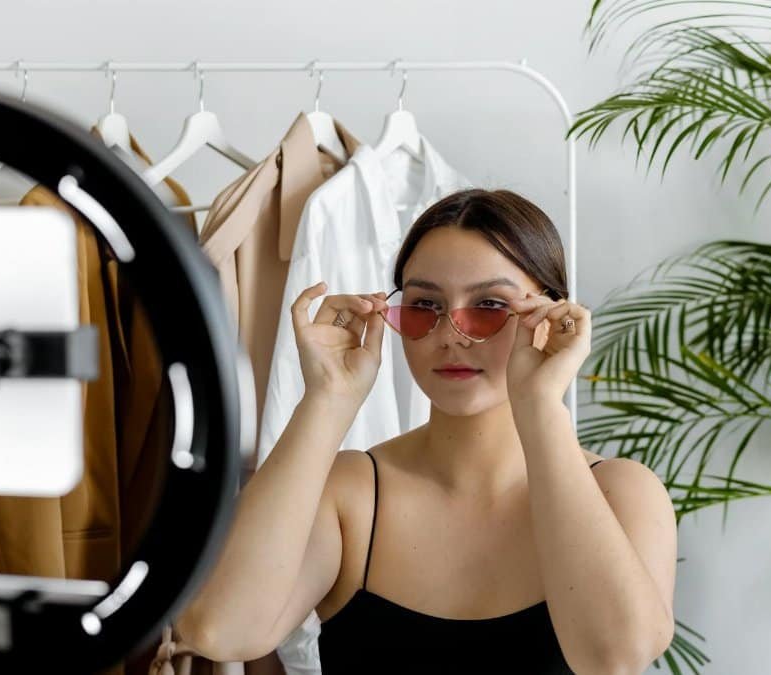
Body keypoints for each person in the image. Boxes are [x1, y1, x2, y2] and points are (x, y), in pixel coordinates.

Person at [175, 189, 678, 674]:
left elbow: (614, 658)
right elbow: (219, 630)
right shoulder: (352, 495)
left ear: (551, 317)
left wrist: (542, 404)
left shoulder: (622, 492)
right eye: (424, 307)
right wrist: (326, 399)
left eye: (489, 307)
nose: (450, 336)